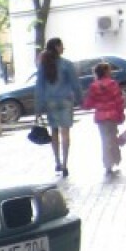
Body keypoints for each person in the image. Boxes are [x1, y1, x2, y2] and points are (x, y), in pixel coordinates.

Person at [33, 38, 83, 176]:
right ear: (56, 47)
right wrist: (81, 99)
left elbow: (39, 86)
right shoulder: (67, 64)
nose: (63, 48)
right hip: (66, 101)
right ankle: (66, 164)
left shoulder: (44, 65)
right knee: (65, 133)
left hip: (50, 103)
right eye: (62, 45)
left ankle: (57, 162)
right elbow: (75, 84)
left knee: (54, 132)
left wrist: (38, 107)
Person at [83, 60, 126, 175]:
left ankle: (108, 164)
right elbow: (118, 100)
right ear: (106, 72)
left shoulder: (94, 86)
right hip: (113, 115)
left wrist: (85, 105)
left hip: (101, 116)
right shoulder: (113, 84)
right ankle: (115, 159)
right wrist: (121, 114)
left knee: (105, 140)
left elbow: (89, 102)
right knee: (113, 138)